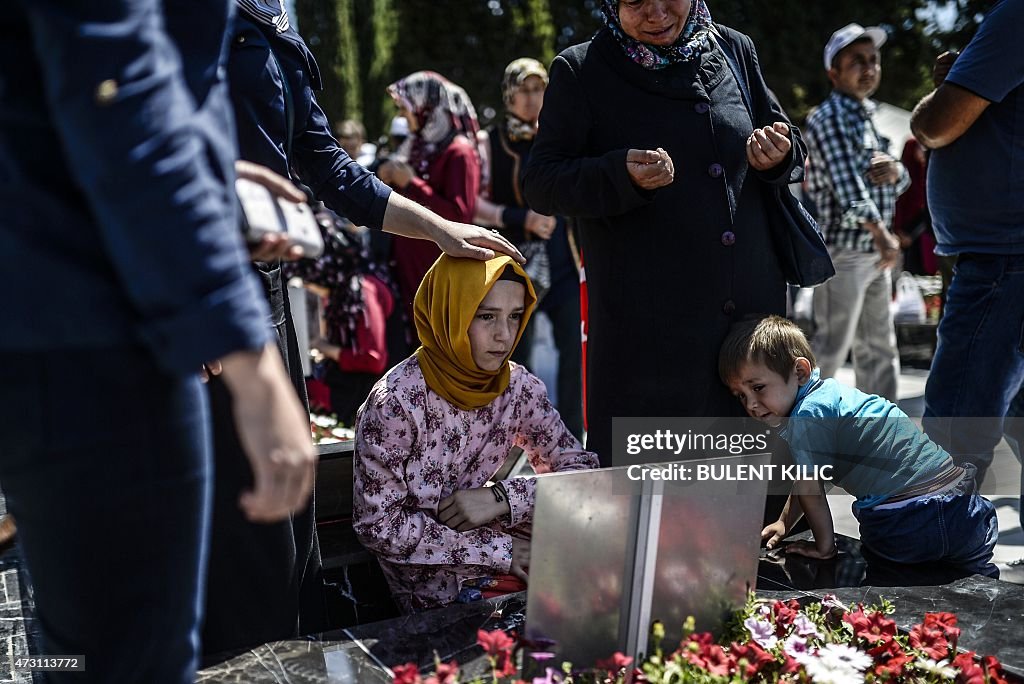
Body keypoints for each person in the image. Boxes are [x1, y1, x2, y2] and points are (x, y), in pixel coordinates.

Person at [1, 2, 317, 682]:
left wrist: (212, 183)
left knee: (81, 652)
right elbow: (120, 93)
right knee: (128, 658)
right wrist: (249, 359)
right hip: (96, 329)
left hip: (59, 317)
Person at [204, 2, 525, 656]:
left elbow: (328, 167)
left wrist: (439, 228)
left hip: (262, 294)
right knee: (233, 528)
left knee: (286, 525)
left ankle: (272, 666)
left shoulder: (271, 26)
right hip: (200, 297)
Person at [522, 0, 805, 464]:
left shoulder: (733, 49)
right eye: (635, 1)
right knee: (656, 509)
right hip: (651, 333)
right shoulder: (582, 69)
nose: (655, 12)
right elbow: (542, 183)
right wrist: (620, 175)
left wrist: (781, 153)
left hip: (746, 322)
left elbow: (783, 136)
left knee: (751, 497)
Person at [352, 255, 598, 613]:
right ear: (450, 312)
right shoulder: (396, 402)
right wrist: (499, 551)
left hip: (519, 563)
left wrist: (502, 497)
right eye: (486, 316)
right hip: (438, 591)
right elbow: (379, 525)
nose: (504, 335)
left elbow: (585, 477)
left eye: (515, 316)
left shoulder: (517, 388)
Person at [720, 316, 998, 578]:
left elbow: (810, 490)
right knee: (976, 576)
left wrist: (824, 547)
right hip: (961, 506)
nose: (751, 405)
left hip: (903, 523)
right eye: (741, 396)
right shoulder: (834, 395)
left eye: (757, 388)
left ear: (800, 372)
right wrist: (784, 522)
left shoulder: (806, 416)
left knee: (893, 579)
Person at [910, 0, 1024, 560]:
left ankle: (934, 577)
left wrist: (942, 91)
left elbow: (935, 124)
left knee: (956, 435)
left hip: (1004, 260)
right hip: (1007, 256)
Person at [475, 58, 584, 439]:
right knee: (512, 350)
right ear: (509, 94)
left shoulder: (560, 135)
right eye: (524, 89)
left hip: (561, 257)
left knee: (573, 347)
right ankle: (511, 435)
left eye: (539, 89)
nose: (532, 98)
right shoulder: (489, 141)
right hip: (514, 259)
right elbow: (474, 203)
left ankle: (571, 433)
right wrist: (522, 218)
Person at [803, 23, 910, 403]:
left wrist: (897, 172)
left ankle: (883, 439)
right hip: (845, 253)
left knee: (879, 350)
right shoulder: (828, 116)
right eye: (856, 62)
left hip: (875, 253)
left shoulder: (869, 117)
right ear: (834, 73)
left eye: (873, 60)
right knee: (829, 348)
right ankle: (799, 435)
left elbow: (898, 178)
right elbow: (847, 185)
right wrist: (883, 236)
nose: (868, 68)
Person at [377, 71, 486, 323]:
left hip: (437, 281)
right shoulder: (419, 146)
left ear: (426, 107)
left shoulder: (459, 153)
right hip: (411, 276)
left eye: (405, 108)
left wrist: (411, 183)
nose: (402, 116)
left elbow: (460, 218)